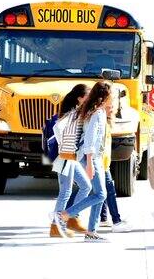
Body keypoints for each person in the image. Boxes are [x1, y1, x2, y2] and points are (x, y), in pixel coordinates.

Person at [52, 81, 112, 242]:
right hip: (87, 157)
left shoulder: (90, 111)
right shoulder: (96, 113)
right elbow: (91, 138)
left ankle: (91, 231)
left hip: (90, 157)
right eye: (110, 96)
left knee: (96, 192)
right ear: (105, 97)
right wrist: (90, 161)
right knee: (99, 194)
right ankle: (65, 215)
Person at [48, 84, 91, 238]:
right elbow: (57, 128)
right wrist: (65, 146)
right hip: (65, 156)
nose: (90, 99)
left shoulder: (78, 113)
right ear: (80, 98)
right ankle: (55, 226)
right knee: (65, 191)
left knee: (85, 186)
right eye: (88, 96)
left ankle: (72, 217)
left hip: (71, 157)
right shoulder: (72, 113)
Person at [98, 97, 132, 233]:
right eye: (109, 105)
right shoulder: (99, 121)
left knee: (101, 192)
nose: (112, 108)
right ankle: (116, 221)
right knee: (109, 191)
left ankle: (103, 217)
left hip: (104, 162)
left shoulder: (106, 121)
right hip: (99, 163)